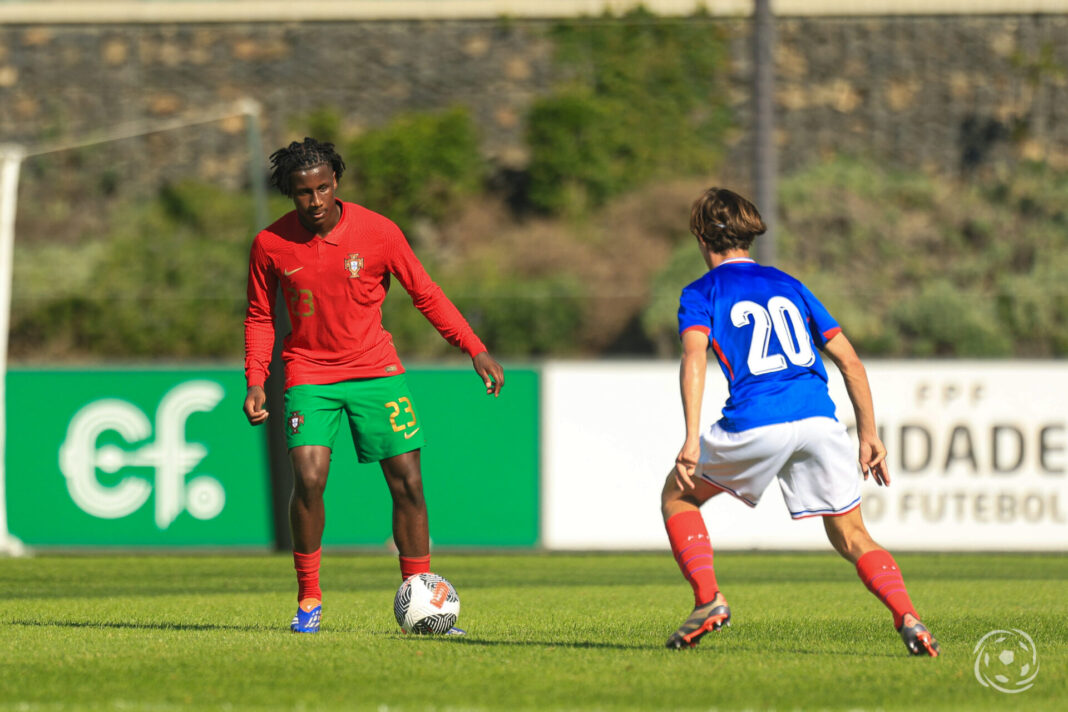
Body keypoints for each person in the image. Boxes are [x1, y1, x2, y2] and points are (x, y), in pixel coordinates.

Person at [660, 187, 939, 656]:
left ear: (700, 237)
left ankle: (708, 600)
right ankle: (908, 616)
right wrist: (869, 434)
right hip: (820, 422)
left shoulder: (701, 292)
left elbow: (693, 358)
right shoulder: (790, 283)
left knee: (678, 496)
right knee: (852, 534)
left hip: (757, 420)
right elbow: (851, 362)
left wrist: (691, 439)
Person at [243, 137, 505, 634]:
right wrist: (257, 380)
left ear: (336, 182)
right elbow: (259, 317)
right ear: (289, 193)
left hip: (375, 370)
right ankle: (309, 598)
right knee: (310, 477)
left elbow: (425, 293)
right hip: (308, 373)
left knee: (407, 482)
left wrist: (473, 346)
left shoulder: (379, 232)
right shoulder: (270, 244)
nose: (315, 200)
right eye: (303, 192)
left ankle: (423, 600)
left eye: (323, 188)